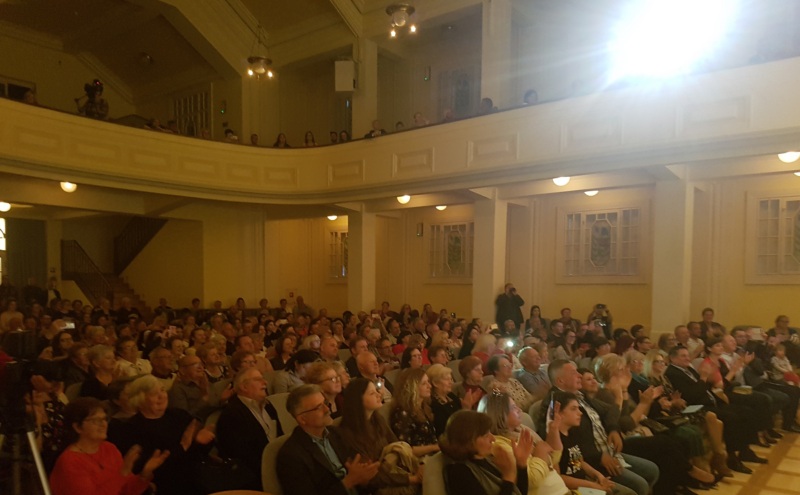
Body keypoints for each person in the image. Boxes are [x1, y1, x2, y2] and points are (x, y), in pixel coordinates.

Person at [108, 375, 215, 495]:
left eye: (163, 390)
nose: (162, 396)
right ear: (139, 400)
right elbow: (146, 468)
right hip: (161, 486)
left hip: (195, 478)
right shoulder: (129, 429)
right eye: (154, 393)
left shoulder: (179, 415)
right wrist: (183, 447)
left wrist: (200, 441)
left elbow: (199, 454)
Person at [50, 397, 170, 495]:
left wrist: (144, 475)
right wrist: (123, 473)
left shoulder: (109, 448)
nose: (103, 424)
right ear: (77, 427)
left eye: (104, 419)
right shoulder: (70, 462)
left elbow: (126, 491)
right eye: (96, 420)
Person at [277, 384, 380, 494]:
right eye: (318, 407)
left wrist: (365, 478)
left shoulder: (335, 433)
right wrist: (349, 482)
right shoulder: (290, 455)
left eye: (325, 403)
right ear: (302, 419)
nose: (327, 409)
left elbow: (357, 474)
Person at [336, 378, 424, 492]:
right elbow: (371, 476)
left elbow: (397, 445)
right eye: (372, 393)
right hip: (378, 488)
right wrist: (411, 479)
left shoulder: (377, 420)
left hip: (395, 473)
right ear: (358, 400)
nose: (379, 395)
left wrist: (419, 465)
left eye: (377, 391)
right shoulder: (348, 433)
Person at [479, 390, 572, 495]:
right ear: (500, 414)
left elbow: (554, 458)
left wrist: (554, 429)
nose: (520, 410)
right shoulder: (498, 445)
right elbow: (531, 481)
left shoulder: (520, 429)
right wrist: (540, 454)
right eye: (514, 407)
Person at [215, 367, 283, 488]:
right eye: (258, 379)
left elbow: (280, 437)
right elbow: (243, 456)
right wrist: (272, 469)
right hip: (254, 476)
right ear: (244, 387)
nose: (265, 382)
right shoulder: (232, 415)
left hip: (277, 465)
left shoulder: (268, 406)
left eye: (263, 379)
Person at [440, 409, 532, 495]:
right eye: (485, 435)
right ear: (467, 441)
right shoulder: (460, 473)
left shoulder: (488, 458)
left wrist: (521, 464)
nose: (493, 439)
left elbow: (520, 492)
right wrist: (508, 477)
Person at [390, 368, 440, 457]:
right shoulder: (403, 413)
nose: (429, 386)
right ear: (412, 387)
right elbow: (406, 449)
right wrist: (435, 447)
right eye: (424, 383)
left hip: (432, 456)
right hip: (419, 460)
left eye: (428, 382)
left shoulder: (424, 407)